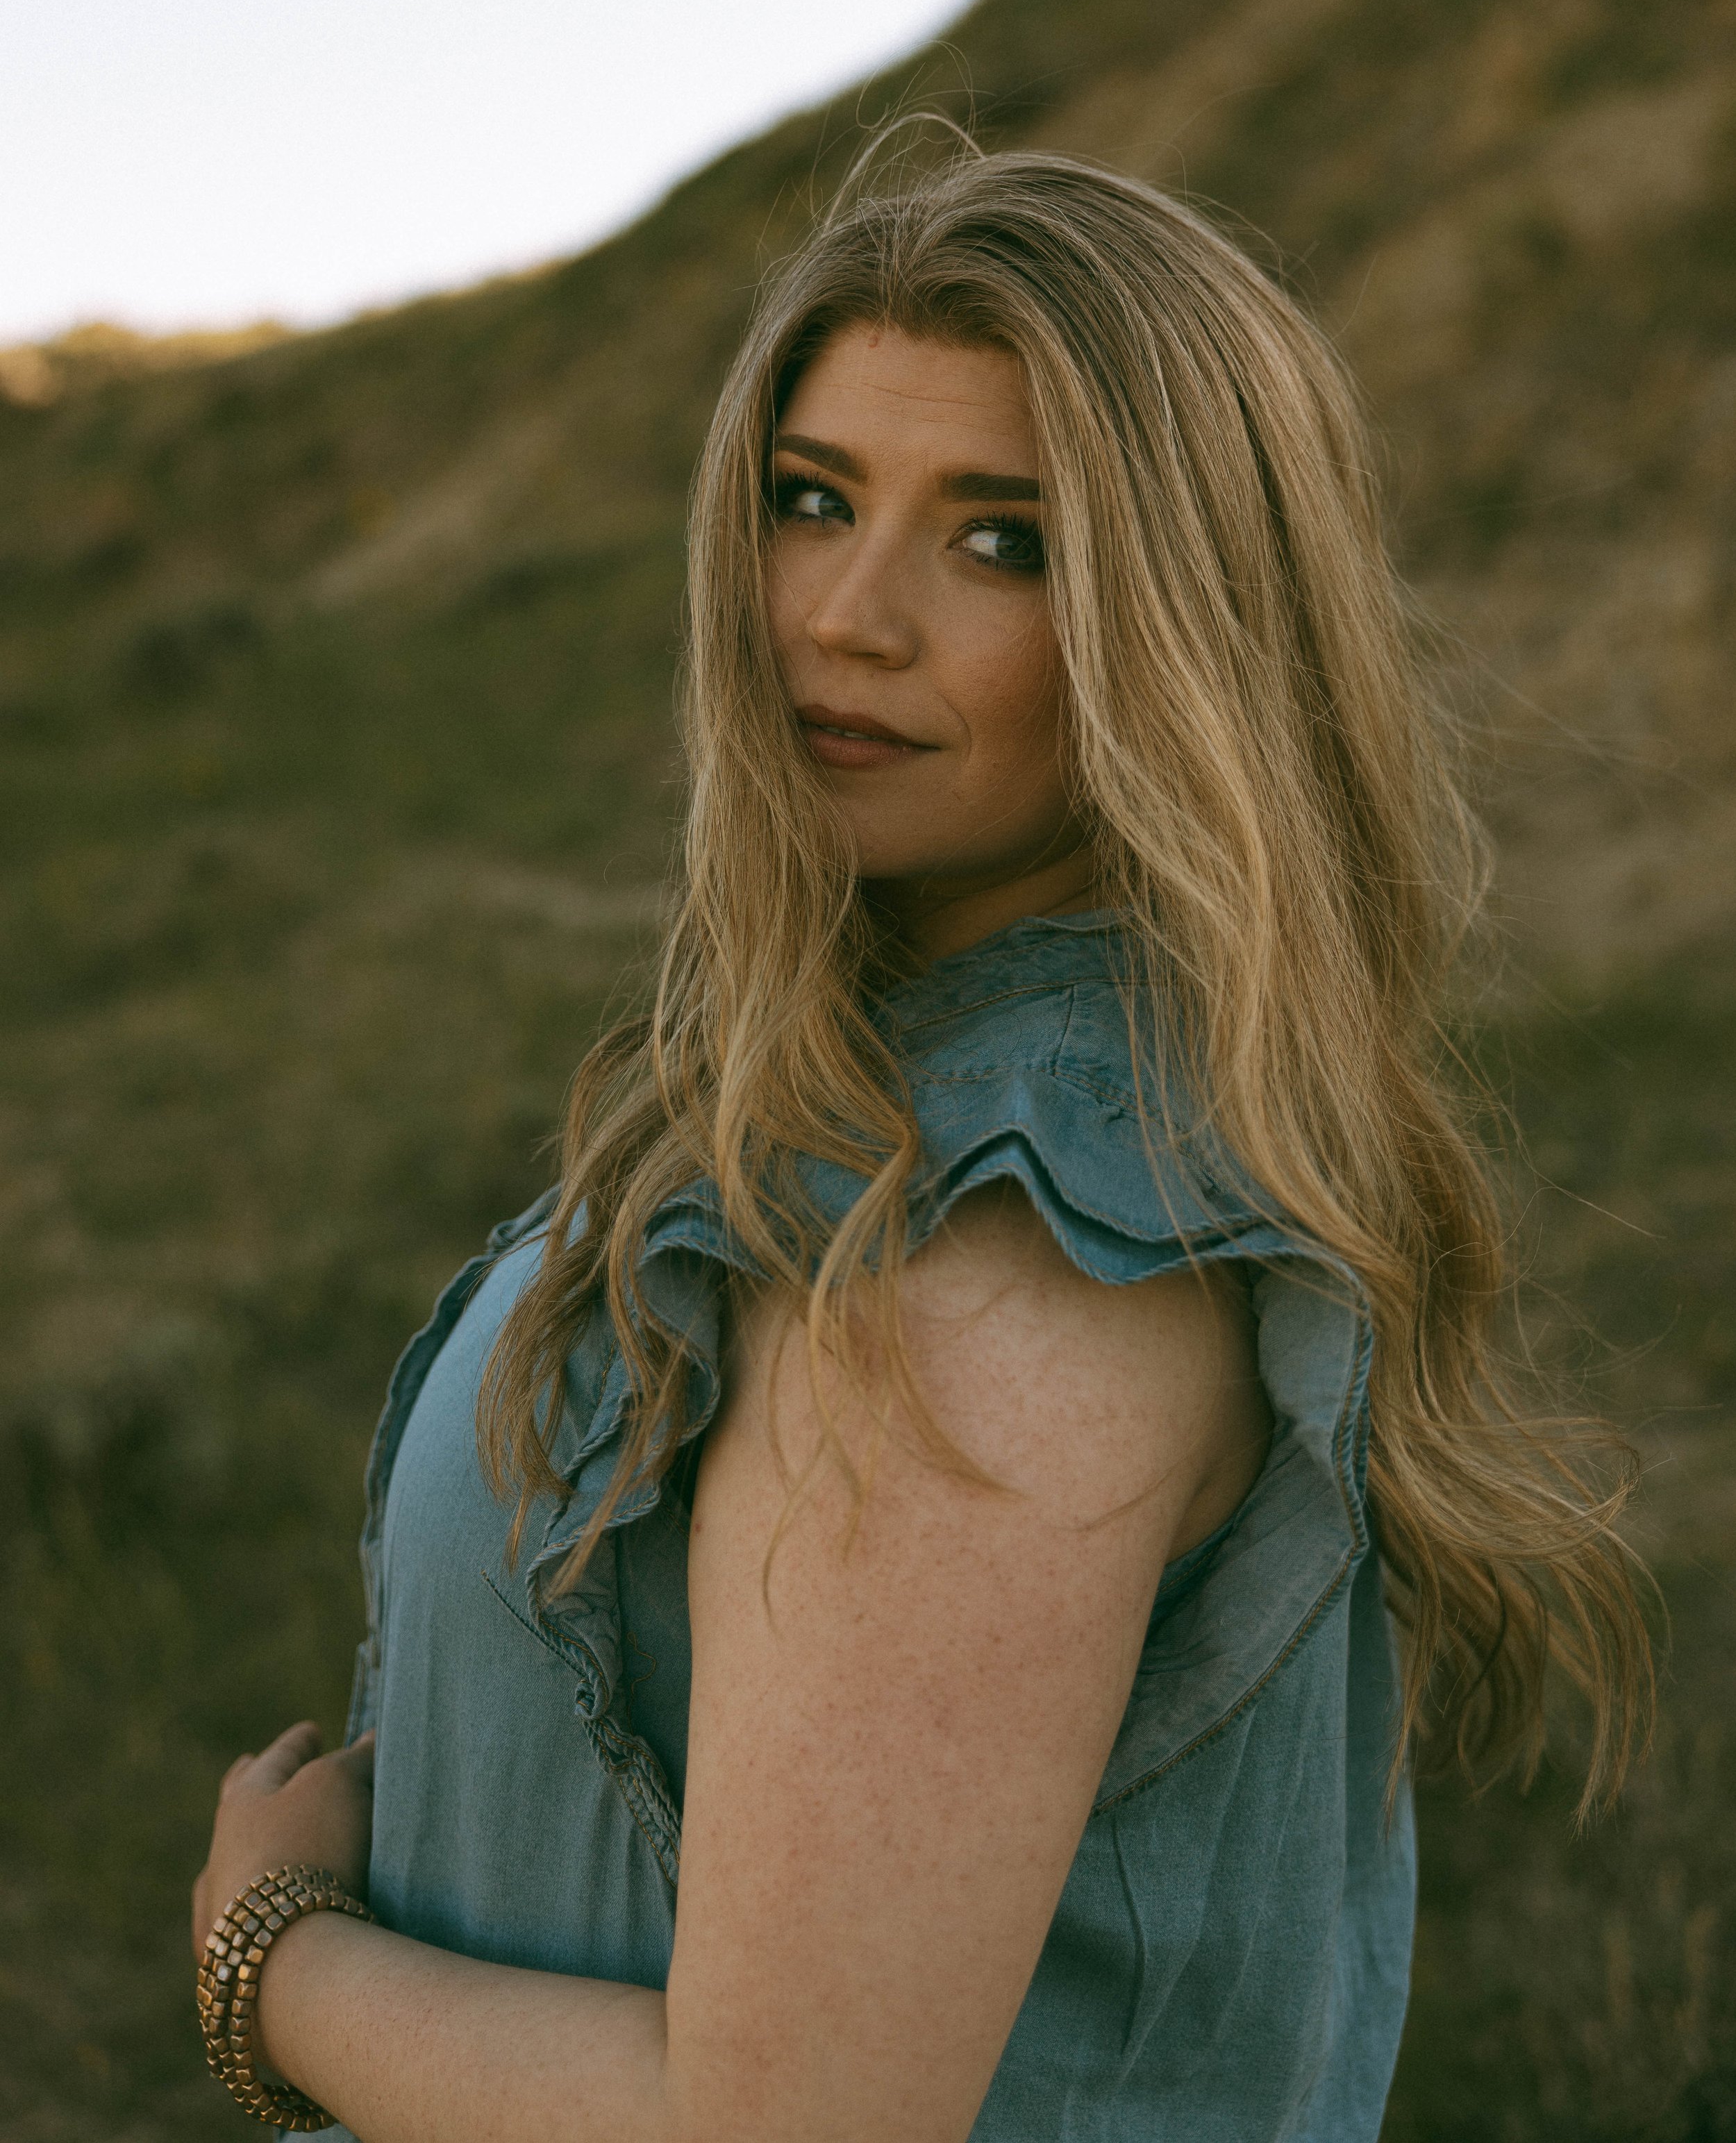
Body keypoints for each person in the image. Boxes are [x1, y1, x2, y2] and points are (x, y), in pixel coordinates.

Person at [192, 145, 1648, 2143]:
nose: (847, 618)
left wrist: (268, 1956)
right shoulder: (890, 1082)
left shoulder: (1011, 1269)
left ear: (1189, 625)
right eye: (812, 501)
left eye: (1001, 541)